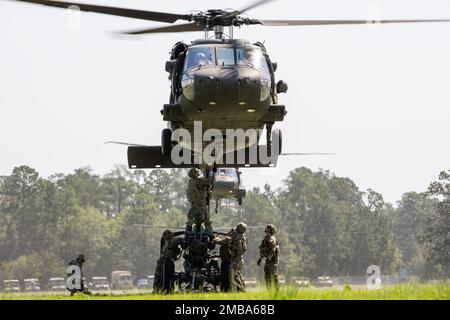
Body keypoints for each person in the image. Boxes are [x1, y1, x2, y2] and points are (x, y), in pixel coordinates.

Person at [214, 222, 248, 292]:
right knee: (238, 274)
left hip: (235, 260)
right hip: (240, 259)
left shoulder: (235, 236)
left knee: (233, 275)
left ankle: (242, 290)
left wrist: (215, 239)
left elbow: (222, 242)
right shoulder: (242, 236)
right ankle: (241, 290)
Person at [186, 167, 214, 231]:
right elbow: (209, 183)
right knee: (207, 219)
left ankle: (189, 228)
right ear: (194, 174)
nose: (198, 173)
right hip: (201, 205)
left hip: (194, 205)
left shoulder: (190, 183)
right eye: (196, 172)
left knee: (190, 217)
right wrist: (212, 176)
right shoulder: (198, 181)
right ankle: (209, 231)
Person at [258, 224, 280, 290]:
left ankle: (276, 290)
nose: (266, 232)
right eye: (266, 231)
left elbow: (272, 250)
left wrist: (268, 258)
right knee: (267, 275)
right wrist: (261, 258)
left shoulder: (272, 239)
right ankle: (269, 290)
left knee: (273, 275)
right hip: (268, 260)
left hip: (272, 261)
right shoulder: (266, 238)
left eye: (268, 231)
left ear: (271, 231)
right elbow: (263, 249)